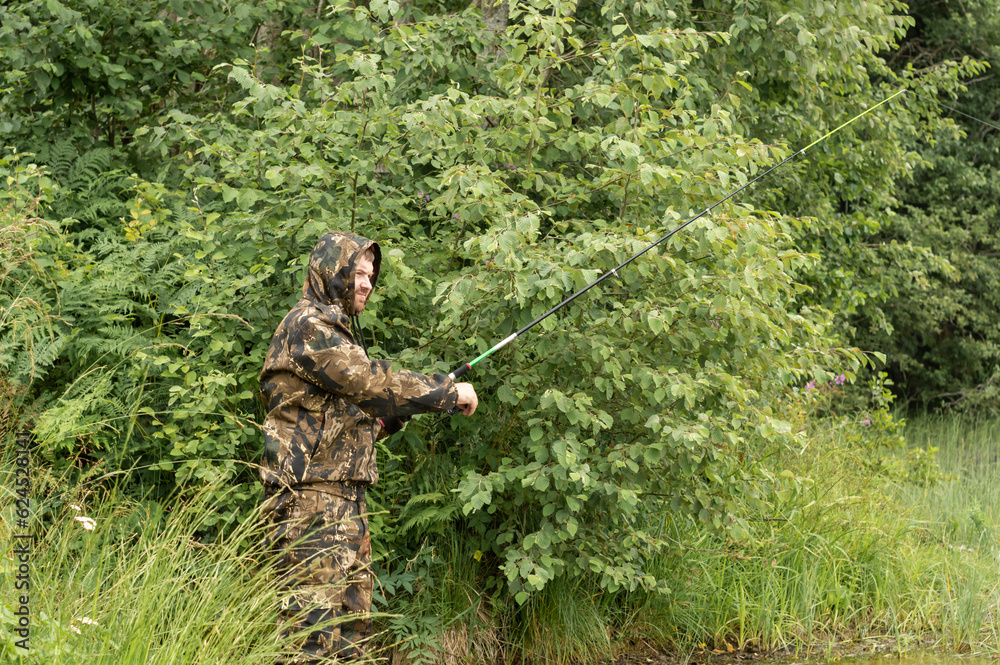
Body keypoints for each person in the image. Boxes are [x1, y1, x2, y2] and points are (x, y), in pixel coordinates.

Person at [259, 231, 478, 663]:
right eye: (357, 272)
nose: (366, 283)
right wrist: (446, 394)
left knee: (352, 642)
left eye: (371, 276)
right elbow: (371, 382)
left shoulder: (339, 338)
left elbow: (353, 423)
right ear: (330, 271)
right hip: (310, 507)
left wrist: (392, 416)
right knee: (309, 643)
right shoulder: (309, 326)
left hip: (347, 505)